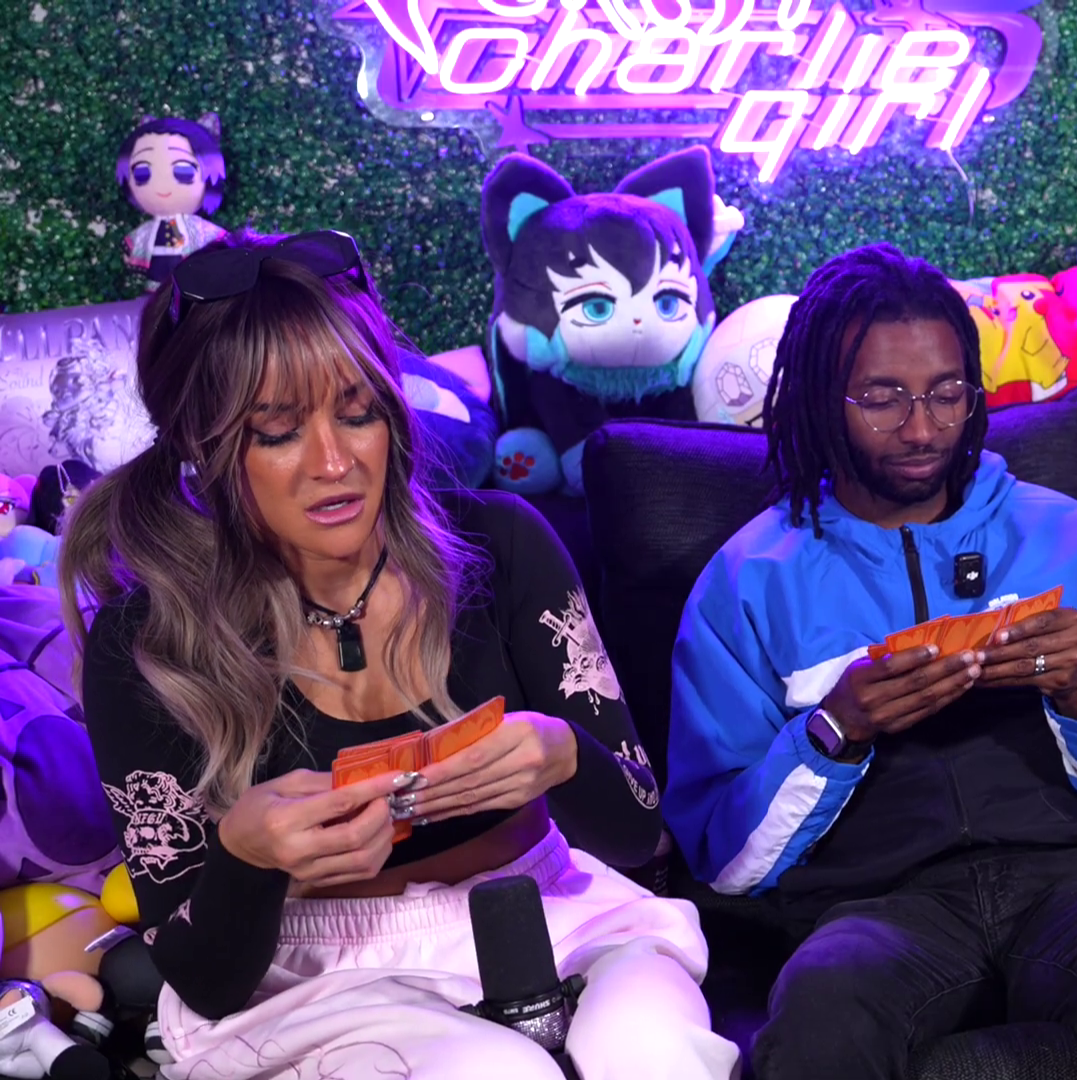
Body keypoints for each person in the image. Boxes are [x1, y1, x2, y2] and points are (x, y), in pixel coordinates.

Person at [61, 230, 739, 1080]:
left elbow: (639, 834)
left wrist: (564, 756)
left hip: (560, 915)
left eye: (358, 413)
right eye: (278, 431)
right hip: (318, 980)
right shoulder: (146, 644)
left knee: (651, 1054)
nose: (334, 463)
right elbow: (203, 977)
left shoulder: (501, 543)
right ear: (204, 445)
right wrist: (245, 855)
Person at [665, 244, 1077, 1080]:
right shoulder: (749, 580)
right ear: (821, 400)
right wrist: (836, 730)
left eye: (946, 393)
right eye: (882, 398)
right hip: (874, 906)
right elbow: (722, 858)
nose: (922, 428)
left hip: (1075, 878)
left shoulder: (1067, 534)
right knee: (820, 1019)